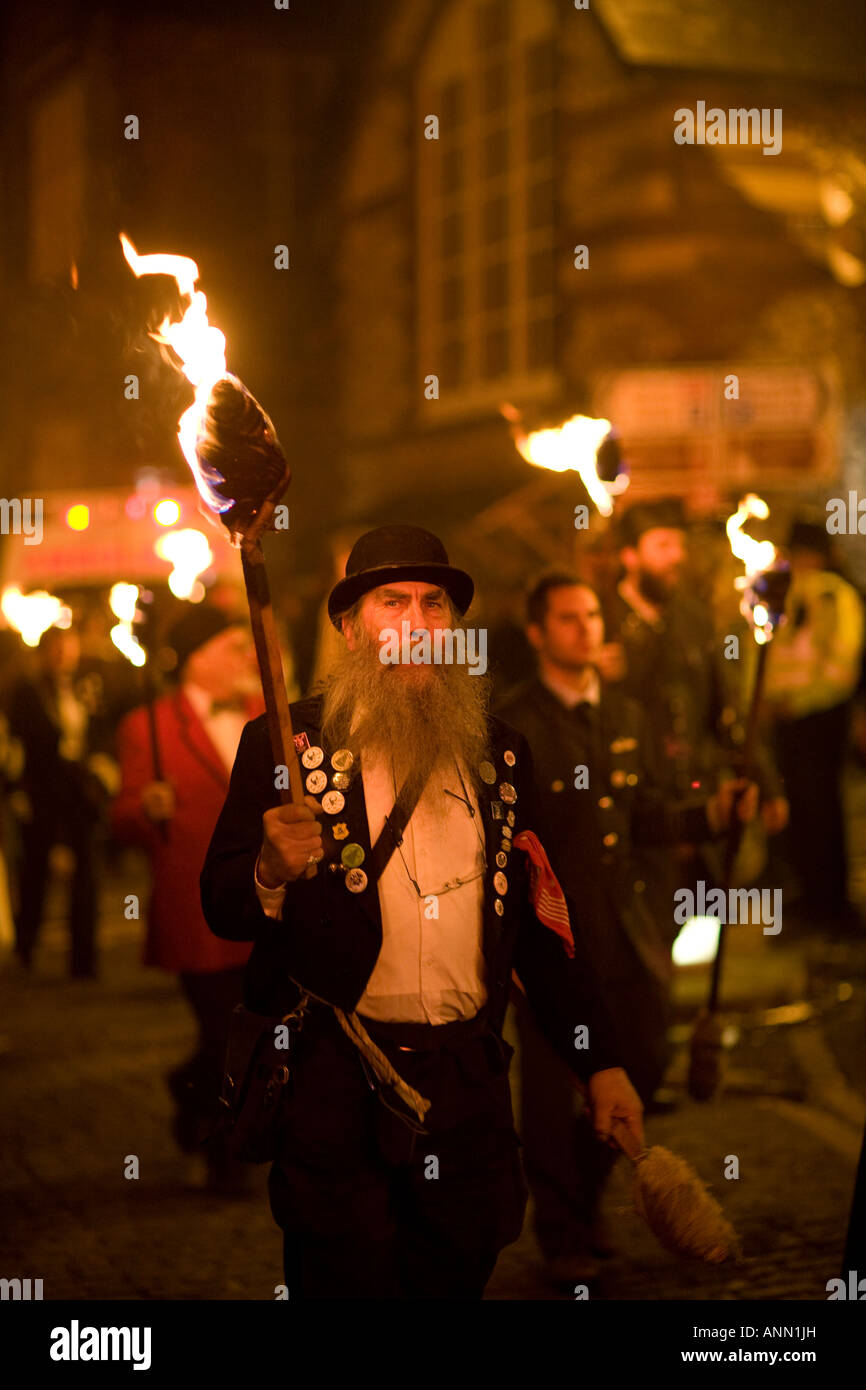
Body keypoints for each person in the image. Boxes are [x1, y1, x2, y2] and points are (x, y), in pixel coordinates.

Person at [201, 524, 644, 1300]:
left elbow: (540, 931)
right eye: (392, 601)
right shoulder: (284, 747)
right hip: (336, 1086)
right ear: (350, 627)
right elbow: (222, 903)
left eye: (434, 604)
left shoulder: (500, 755)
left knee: (458, 1272)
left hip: (467, 1085)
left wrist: (599, 1063)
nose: (416, 621)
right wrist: (269, 868)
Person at [497, 574, 756, 1283]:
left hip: (632, 925)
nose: (586, 628)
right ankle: (561, 1231)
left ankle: (591, 1194)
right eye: (568, 619)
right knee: (554, 1093)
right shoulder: (513, 725)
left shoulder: (628, 713)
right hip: (558, 939)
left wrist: (710, 816)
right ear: (538, 633)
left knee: (640, 1060)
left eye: (592, 615)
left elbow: (643, 815)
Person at [112, 606, 263, 1188]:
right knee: (224, 1033)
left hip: (258, 901)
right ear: (198, 659)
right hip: (194, 907)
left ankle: (189, 1087)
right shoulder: (146, 725)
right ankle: (226, 1154)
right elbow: (123, 818)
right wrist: (144, 808)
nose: (245, 658)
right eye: (233, 648)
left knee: (251, 1029)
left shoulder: (260, 713)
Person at [601, 500, 787, 941]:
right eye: (662, 545)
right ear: (630, 555)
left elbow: (727, 708)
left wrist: (766, 781)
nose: (676, 557)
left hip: (691, 797)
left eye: (678, 545)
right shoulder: (599, 618)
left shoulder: (693, 618)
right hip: (629, 807)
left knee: (686, 925)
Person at [763, 521, 865, 936]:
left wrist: (802, 700)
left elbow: (841, 657)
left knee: (822, 808)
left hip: (822, 716)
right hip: (788, 718)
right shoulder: (787, 590)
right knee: (799, 808)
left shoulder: (831, 593)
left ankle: (831, 901)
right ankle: (809, 895)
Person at [7, 625, 116, 977]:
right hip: (43, 793)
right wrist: (17, 791)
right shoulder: (26, 693)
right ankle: (27, 945)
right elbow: (19, 744)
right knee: (36, 872)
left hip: (79, 795)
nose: (62, 655)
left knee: (86, 874)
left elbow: (98, 732)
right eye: (55, 649)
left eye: (67, 648)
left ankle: (84, 959)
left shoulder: (86, 686)